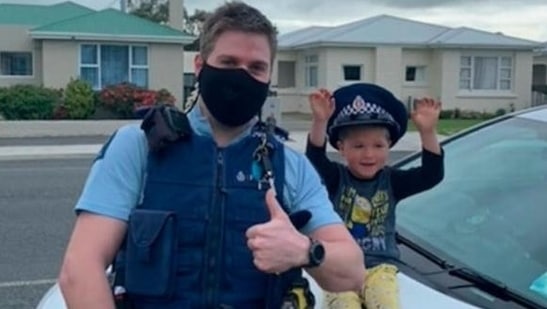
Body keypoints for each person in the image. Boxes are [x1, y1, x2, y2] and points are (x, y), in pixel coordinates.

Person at [57, 2, 365, 309]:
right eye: (229, 62)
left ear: (269, 76)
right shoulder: (137, 148)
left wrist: (304, 250)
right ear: (200, 67)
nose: (241, 77)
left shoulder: (289, 165)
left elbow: (352, 270)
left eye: (256, 67)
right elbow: (80, 270)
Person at [306, 83, 445, 308]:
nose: (369, 154)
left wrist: (427, 132)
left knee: (385, 302)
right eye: (358, 146)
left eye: (378, 145)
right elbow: (315, 160)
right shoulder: (336, 178)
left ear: (389, 145)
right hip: (340, 264)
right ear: (341, 148)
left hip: (380, 268)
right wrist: (320, 121)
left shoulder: (392, 181)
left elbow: (431, 175)